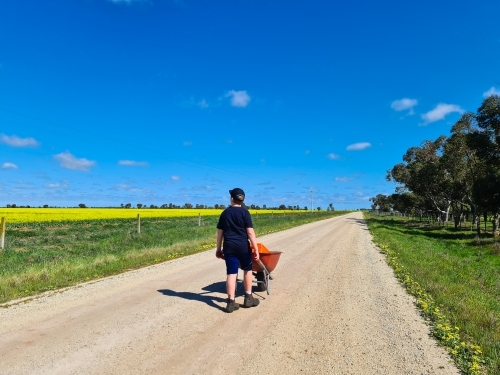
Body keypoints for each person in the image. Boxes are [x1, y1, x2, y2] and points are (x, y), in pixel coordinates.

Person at [216, 188, 260, 313]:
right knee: (247, 270)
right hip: (243, 247)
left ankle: (230, 303)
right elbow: (250, 233)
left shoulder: (225, 213)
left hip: (229, 246)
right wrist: (256, 249)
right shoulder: (245, 213)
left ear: (232, 199)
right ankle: (248, 298)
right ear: (242, 200)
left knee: (231, 273)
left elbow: (220, 233)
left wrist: (218, 249)